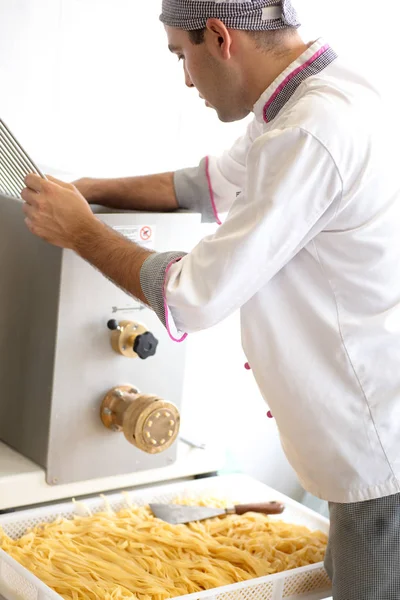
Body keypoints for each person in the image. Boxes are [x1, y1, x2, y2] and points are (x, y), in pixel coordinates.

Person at [21, 1, 400, 598]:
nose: (186, 79)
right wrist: (87, 191)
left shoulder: (310, 129)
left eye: (181, 54)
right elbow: (202, 184)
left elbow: (192, 299)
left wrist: (80, 231)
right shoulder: (307, 97)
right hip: (364, 438)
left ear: (219, 37)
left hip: (379, 451)